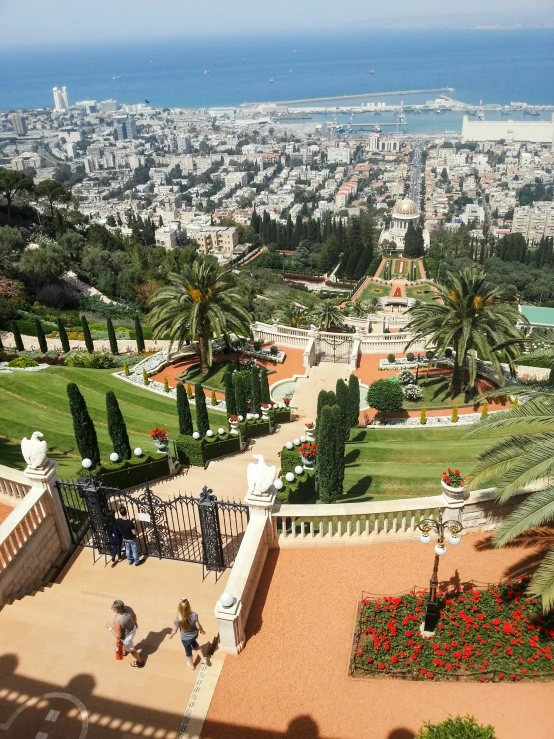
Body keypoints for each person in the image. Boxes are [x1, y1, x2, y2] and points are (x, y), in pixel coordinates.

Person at [169, 598, 209, 670]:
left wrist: (171, 635)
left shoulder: (178, 620)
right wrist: (202, 631)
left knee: (188, 651)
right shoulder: (194, 615)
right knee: (195, 645)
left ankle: (191, 664)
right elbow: (198, 626)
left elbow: (174, 631)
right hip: (194, 635)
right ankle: (203, 659)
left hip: (185, 639)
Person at [107, 600, 144, 668]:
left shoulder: (118, 620)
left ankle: (140, 662)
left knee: (132, 650)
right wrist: (135, 623)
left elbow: (118, 636)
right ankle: (124, 651)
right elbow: (134, 616)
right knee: (126, 646)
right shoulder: (128, 608)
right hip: (132, 629)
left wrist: (109, 628)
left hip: (126, 638)